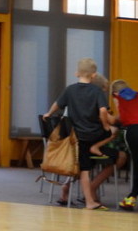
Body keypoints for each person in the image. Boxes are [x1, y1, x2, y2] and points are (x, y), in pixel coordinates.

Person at [43, 58, 126, 210]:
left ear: (76, 73)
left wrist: (48, 113)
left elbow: (58, 104)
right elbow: (103, 112)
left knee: (84, 168)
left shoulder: (70, 89)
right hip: (93, 135)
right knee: (113, 133)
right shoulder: (96, 91)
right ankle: (89, 202)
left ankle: (87, 199)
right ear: (94, 76)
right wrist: (107, 126)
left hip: (76, 137)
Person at [110, 79, 138, 211]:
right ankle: (132, 197)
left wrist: (113, 123)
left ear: (114, 92)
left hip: (133, 131)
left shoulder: (117, 96)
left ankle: (131, 198)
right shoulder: (136, 95)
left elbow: (120, 117)